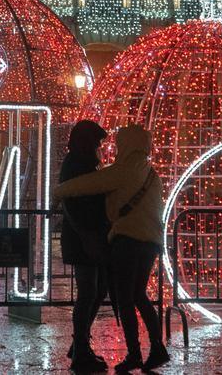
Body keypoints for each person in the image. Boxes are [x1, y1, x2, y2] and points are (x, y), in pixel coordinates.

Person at [55, 124, 169, 372]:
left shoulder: (122, 171)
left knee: (123, 298)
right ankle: (157, 348)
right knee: (135, 295)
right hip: (149, 243)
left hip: (126, 241)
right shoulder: (151, 173)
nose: (103, 147)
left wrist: (59, 191)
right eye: (97, 143)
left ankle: (134, 354)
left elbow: (88, 185)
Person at [58, 120, 110, 372]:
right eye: (97, 142)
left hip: (89, 235)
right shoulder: (76, 164)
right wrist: (87, 234)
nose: (100, 147)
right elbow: (71, 202)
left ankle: (80, 344)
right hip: (83, 238)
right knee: (88, 292)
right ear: (86, 142)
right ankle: (80, 350)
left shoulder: (84, 163)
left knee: (98, 289)